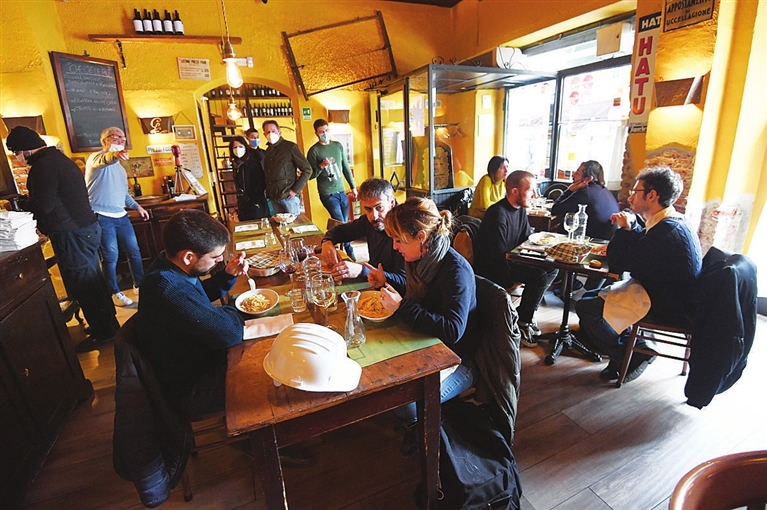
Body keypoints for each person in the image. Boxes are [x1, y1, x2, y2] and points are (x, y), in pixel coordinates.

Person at [369, 197, 477, 456]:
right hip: (426, 345)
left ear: (420, 237)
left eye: (399, 240)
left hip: (459, 360)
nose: (395, 247)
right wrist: (387, 280)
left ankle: (423, 426)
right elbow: (419, 291)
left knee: (403, 403)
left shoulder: (455, 271)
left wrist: (402, 308)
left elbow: (453, 330)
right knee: (380, 374)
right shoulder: (420, 258)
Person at [575, 166, 703, 383]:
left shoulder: (666, 232)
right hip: (665, 293)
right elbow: (642, 249)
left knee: (586, 307)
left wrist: (624, 230)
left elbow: (619, 264)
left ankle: (628, 355)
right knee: (590, 297)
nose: (630, 196)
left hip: (667, 305)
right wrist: (632, 227)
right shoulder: (672, 220)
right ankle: (636, 345)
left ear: (652, 195)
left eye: (635, 191)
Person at [6, 126, 119, 352]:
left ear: (25, 149)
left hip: (70, 233)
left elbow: (44, 206)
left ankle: (103, 333)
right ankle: (109, 326)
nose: (17, 157)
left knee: (84, 285)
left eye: (16, 152)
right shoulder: (59, 159)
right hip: (84, 229)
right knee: (93, 281)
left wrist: (21, 205)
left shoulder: (43, 166)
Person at [473, 170, 558, 347]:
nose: (535, 195)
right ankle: (523, 322)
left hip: (510, 260)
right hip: (494, 267)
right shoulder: (497, 213)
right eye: (531, 190)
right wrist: (510, 281)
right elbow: (495, 256)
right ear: (514, 191)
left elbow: (525, 240)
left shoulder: (520, 210)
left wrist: (543, 252)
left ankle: (526, 312)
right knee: (539, 277)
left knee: (552, 267)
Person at [85, 127, 149, 307]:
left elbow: (124, 194)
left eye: (122, 138)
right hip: (102, 216)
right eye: (115, 137)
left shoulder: (120, 169)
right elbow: (105, 159)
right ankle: (114, 292)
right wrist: (114, 155)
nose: (120, 141)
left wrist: (138, 207)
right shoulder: (95, 159)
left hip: (122, 216)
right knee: (111, 256)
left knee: (134, 252)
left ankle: (140, 285)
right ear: (104, 141)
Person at [319, 178, 406, 292]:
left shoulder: (405, 229)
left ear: (392, 203)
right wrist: (327, 242)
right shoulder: (368, 221)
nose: (374, 216)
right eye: (368, 209)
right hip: (373, 284)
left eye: (379, 208)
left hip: (393, 293)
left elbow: (403, 281)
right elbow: (341, 231)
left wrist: (362, 270)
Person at [306, 119, 357, 260]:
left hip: (341, 191)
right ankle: (349, 252)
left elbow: (346, 167)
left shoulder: (337, 146)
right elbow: (310, 175)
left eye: (326, 130)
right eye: (321, 132)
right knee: (341, 223)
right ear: (316, 133)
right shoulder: (314, 151)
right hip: (327, 193)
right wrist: (321, 166)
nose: (325, 133)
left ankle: (336, 247)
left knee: (344, 223)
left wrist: (353, 186)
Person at [550, 160, 620, 240]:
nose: (573, 175)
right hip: (607, 239)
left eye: (577, 173)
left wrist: (569, 190)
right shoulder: (604, 190)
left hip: (593, 241)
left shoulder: (584, 193)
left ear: (588, 179)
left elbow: (555, 209)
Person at [261, 120, 312, 214]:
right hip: (274, 197)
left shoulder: (290, 147)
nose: (271, 134)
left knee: (294, 222)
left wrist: (295, 190)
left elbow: (307, 169)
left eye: (273, 131)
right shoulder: (267, 151)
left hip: (289, 197)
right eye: (268, 132)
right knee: (279, 223)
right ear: (264, 134)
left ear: (279, 132)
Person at [229, 135, 268, 220]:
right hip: (243, 203)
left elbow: (261, 181)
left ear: (245, 147)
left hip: (256, 202)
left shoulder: (253, 161)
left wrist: (254, 200)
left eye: (240, 146)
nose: (237, 149)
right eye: (235, 147)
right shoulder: (236, 165)